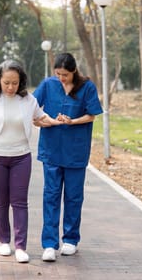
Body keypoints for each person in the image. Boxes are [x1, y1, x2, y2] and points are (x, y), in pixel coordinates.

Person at [0, 60, 60, 263]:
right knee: (1, 201)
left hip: (21, 156)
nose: (11, 87)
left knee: (20, 202)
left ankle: (20, 246)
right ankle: (4, 241)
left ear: (21, 82)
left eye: (15, 83)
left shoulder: (28, 100)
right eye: (7, 83)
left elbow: (42, 118)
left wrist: (58, 121)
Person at [33, 52, 103, 262]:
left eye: (65, 74)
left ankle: (71, 240)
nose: (61, 78)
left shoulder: (87, 87)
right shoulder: (47, 85)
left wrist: (72, 121)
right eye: (58, 74)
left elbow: (91, 115)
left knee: (73, 197)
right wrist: (41, 121)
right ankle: (49, 244)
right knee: (51, 196)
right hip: (52, 150)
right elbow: (33, 109)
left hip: (75, 151)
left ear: (73, 71)